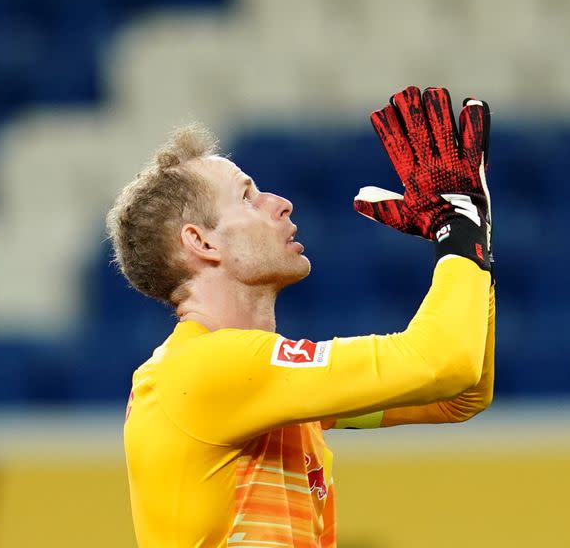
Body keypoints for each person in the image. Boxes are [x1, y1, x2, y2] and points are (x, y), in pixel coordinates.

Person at [107, 86, 496, 548]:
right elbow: (445, 361)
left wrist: (473, 241)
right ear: (202, 242)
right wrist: (458, 233)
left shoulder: (266, 390)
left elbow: (460, 394)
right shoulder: (207, 369)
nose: (280, 202)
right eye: (248, 197)